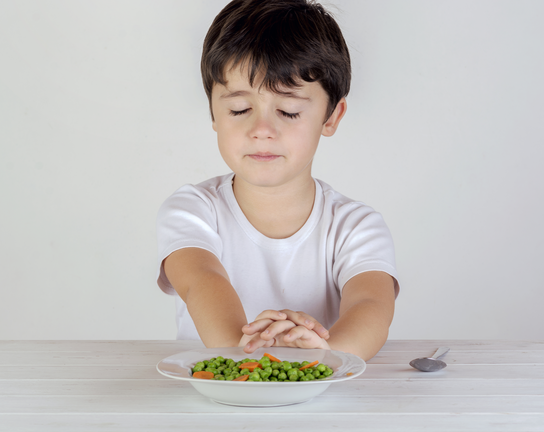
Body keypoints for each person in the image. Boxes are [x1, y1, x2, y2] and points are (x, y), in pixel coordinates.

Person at [156, 0, 399, 361]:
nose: (262, 131)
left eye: (288, 111)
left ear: (332, 116)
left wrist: (324, 357)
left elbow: (372, 305)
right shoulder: (192, 209)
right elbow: (201, 281)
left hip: (321, 400)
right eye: (239, 109)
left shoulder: (356, 226)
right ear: (213, 111)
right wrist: (249, 353)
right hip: (213, 402)